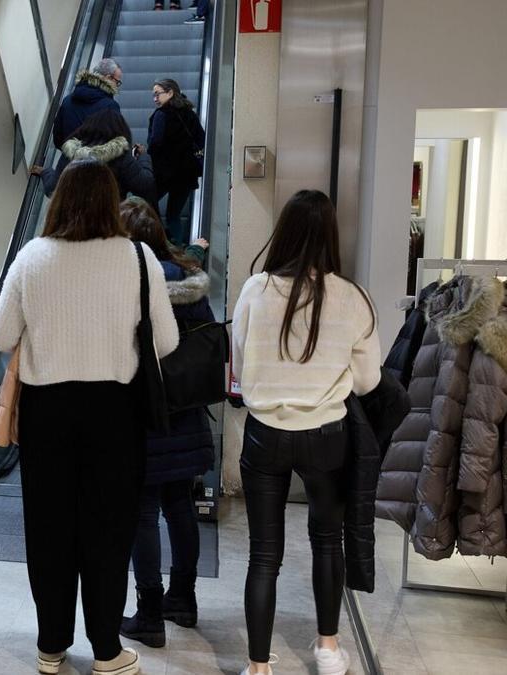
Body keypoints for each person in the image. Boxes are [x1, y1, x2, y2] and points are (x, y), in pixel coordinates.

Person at [0, 160, 179, 675]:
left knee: (48, 528)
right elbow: (166, 341)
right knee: (109, 530)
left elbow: (1, 337)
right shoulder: (139, 258)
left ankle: (51, 646)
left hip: (48, 412)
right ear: (111, 201)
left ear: (59, 201)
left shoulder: (32, 257)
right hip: (115, 414)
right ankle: (106, 649)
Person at [232, 190, 380, 675]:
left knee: (263, 553)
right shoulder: (352, 298)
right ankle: (329, 649)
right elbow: (367, 381)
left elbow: (239, 360)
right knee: (326, 539)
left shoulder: (255, 289)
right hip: (325, 434)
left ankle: (257, 666)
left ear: (285, 231)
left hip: (264, 433)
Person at [117, 198, 214, 649]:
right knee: (181, 507)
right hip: (187, 409)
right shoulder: (190, 281)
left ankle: (150, 611)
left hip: (142, 412)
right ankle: (184, 599)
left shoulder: (127, 282)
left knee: (142, 514)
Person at [32, 108, 157, 206]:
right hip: (108, 222)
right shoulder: (121, 156)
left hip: (73, 222)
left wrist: (46, 172)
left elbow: (53, 188)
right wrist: (143, 157)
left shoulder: (71, 153)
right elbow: (145, 186)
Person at [142, 79, 206, 246]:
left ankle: (155, 243)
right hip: (186, 174)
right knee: (173, 216)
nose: (155, 98)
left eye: (157, 94)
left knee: (144, 204)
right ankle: (177, 250)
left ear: (170, 93)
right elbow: (201, 138)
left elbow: (155, 143)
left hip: (164, 174)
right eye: (153, 95)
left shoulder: (161, 115)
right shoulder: (189, 113)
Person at [53, 58, 123, 148]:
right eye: (117, 82)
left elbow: (57, 138)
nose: (117, 86)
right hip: (96, 161)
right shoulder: (110, 106)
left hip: (67, 160)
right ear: (108, 78)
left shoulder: (67, 100)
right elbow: (115, 144)